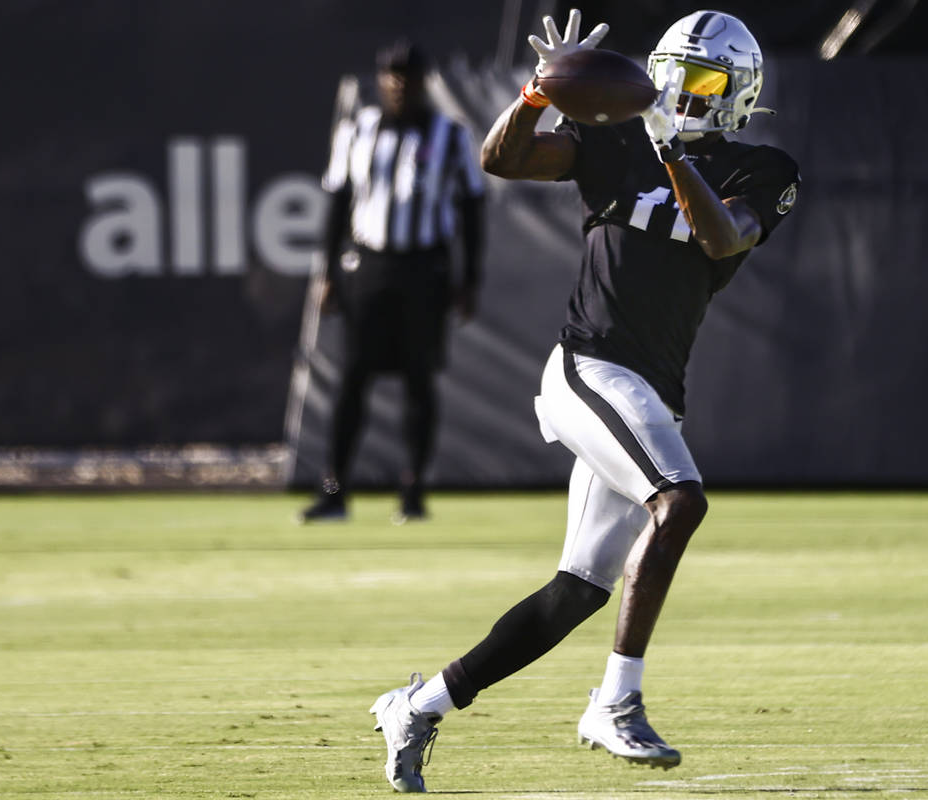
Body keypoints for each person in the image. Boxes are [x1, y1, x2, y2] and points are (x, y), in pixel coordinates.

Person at [368, 9, 800, 792]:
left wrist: (672, 147)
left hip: (652, 388)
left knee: (577, 590)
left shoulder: (760, 167)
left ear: (737, 93)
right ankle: (616, 701)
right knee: (682, 502)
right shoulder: (617, 140)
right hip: (588, 366)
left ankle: (417, 704)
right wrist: (537, 91)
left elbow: (723, 239)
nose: (684, 92)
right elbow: (504, 160)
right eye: (674, 73)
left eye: (705, 81)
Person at [299, 41, 485, 524]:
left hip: (426, 269)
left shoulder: (450, 134)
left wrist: (470, 279)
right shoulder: (357, 131)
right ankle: (335, 490)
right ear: (380, 80)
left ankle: (413, 489)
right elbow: (338, 204)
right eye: (391, 75)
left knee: (419, 380)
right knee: (352, 379)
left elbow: (472, 208)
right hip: (368, 267)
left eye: (410, 76)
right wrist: (326, 273)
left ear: (426, 82)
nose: (400, 84)